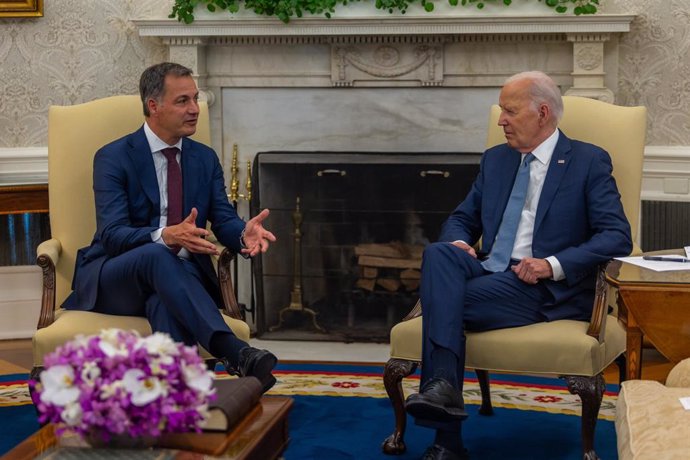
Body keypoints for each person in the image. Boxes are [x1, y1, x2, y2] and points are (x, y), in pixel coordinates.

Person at [405, 71, 632, 460]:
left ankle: (446, 441)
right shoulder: (496, 160)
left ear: (542, 113)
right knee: (439, 253)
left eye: (509, 111)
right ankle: (442, 388)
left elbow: (616, 236)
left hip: (542, 287)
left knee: (443, 303)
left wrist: (551, 264)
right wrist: (460, 242)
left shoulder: (587, 161)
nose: (500, 121)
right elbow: (462, 218)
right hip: (491, 271)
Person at [63, 62, 279, 393]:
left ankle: (181, 395)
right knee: (157, 255)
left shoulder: (204, 159)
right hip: (117, 276)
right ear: (154, 106)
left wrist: (240, 234)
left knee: (163, 299)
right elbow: (112, 234)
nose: (194, 109)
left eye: (195, 99)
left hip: (179, 279)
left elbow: (221, 217)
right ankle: (232, 351)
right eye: (183, 101)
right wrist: (164, 235)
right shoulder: (114, 157)